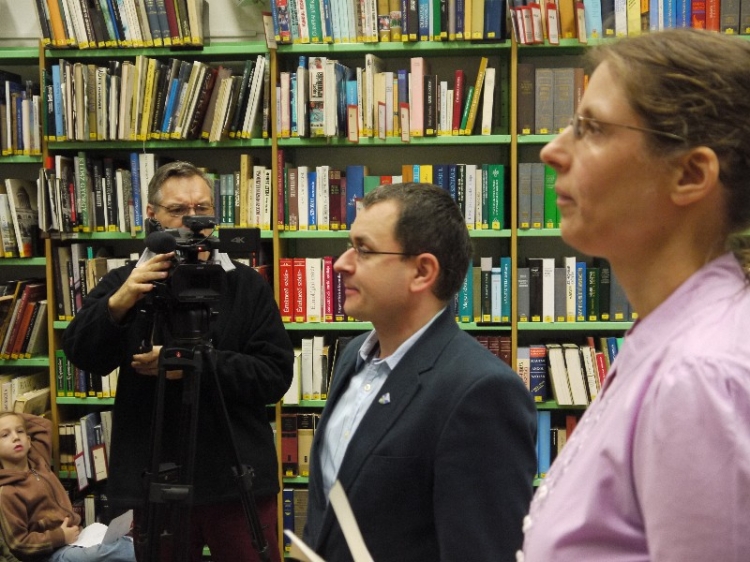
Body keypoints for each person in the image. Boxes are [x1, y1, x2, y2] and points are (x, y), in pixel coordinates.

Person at [521, 28, 750, 562]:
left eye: (591, 128)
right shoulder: (664, 340)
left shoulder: (698, 375)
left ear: (690, 174)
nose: (552, 150)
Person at [62, 161, 294, 562]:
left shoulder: (245, 284)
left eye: (202, 208)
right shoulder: (126, 281)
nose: (192, 221)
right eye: (178, 210)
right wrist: (120, 302)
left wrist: (191, 364)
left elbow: (274, 376)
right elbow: (83, 354)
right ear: (152, 215)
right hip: (154, 475)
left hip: (234, 475)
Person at [303, 182, 538, 561]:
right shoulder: (352, 357)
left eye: (364, 250)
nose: (341, 263)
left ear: (422, 271)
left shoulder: (480, 392)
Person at [0, 412, 135, 561]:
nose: (16, 437)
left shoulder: (39, 460)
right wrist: (60, 536)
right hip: (48, 554)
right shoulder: (7, 492)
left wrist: (12, 416)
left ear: (29, 440)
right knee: (100, 553)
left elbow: (44, 425)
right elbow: (19, 544)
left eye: (20, 431)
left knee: (113, 537)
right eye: (5, 435)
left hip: (77, 537)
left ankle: (133, 547)